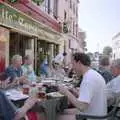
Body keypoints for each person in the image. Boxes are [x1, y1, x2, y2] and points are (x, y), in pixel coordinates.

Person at [57, 52, 107, 120]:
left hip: (91, 117)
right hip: (97, 114)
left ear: (79, 63)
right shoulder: (92, 74)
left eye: (73, 64)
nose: (72, 68)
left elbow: (81, 107)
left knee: (54, 117)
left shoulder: (88, 79)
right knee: (61, 112)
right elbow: (88, 98)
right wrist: (74, 91)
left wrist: (66, 92)